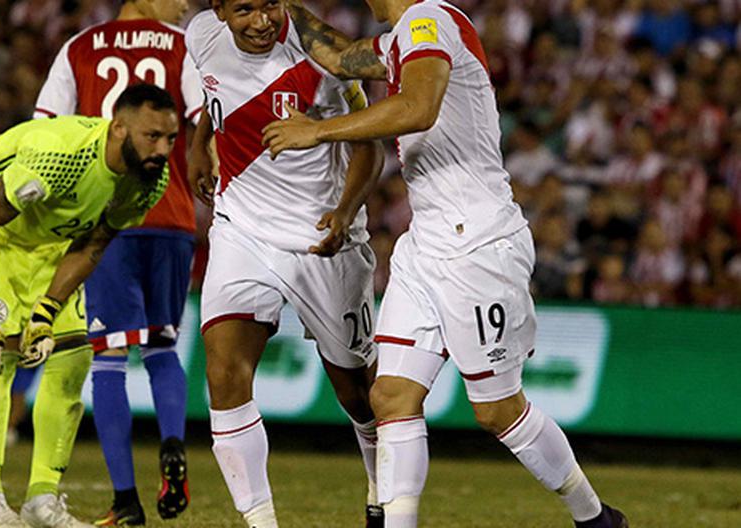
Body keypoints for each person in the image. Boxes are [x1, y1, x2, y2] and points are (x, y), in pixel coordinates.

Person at [262, 1, 629, 527]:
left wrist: (318, 131)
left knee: (498, 412)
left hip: (478, 243)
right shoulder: (400, 39)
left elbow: (419, 107)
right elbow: (341, 57)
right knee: (390, 396)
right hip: (426, 242)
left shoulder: (429, 18)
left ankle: (594, 518)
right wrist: (286, 7)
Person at [0, 84, 178, 528]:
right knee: (0, 356)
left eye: (171, 139)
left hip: (51, 240)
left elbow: (94, 242)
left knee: (71, 358)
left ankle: (41, 501)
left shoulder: (149, 179)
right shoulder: (59, 154)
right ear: (119, 128)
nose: (162, 150)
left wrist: (48, 308)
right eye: (152, 137)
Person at [185, 1, 385, 526]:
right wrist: (199, 144)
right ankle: (260, 521)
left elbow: (370, 148)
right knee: (225, 372)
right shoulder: (201, 35)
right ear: (220, 11)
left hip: (321, 238)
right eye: (245, 8)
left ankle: (381, 487)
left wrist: (344, 211)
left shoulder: (321, 60)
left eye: (270, 3)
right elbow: (215, 99)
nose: (261, 20)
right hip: (241, 230)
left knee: (359, 392)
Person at [33, 0, 202, 524]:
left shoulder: (79, 48)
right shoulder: (183, 45)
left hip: (109, 218)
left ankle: (125, 501)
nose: (186, 5)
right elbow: (204, 121)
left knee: (107, 360)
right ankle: (173, 443)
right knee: (162, 346)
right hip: (173, 215)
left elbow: (43, 131)